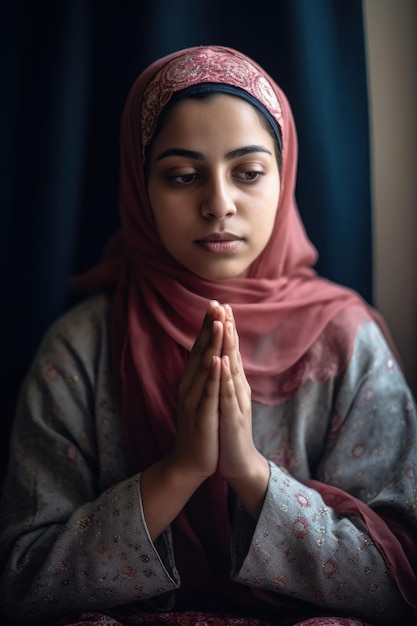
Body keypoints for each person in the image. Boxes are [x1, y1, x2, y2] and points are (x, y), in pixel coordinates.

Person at [0, 45, 416, 626]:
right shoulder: (82, 347)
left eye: (248, 172)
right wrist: (180, 470)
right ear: (141, 188)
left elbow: (398, 586)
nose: (218, 204)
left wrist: (247, 471)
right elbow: (21, 585)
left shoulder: (346, 340)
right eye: (182, 176)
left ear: (284, 174)